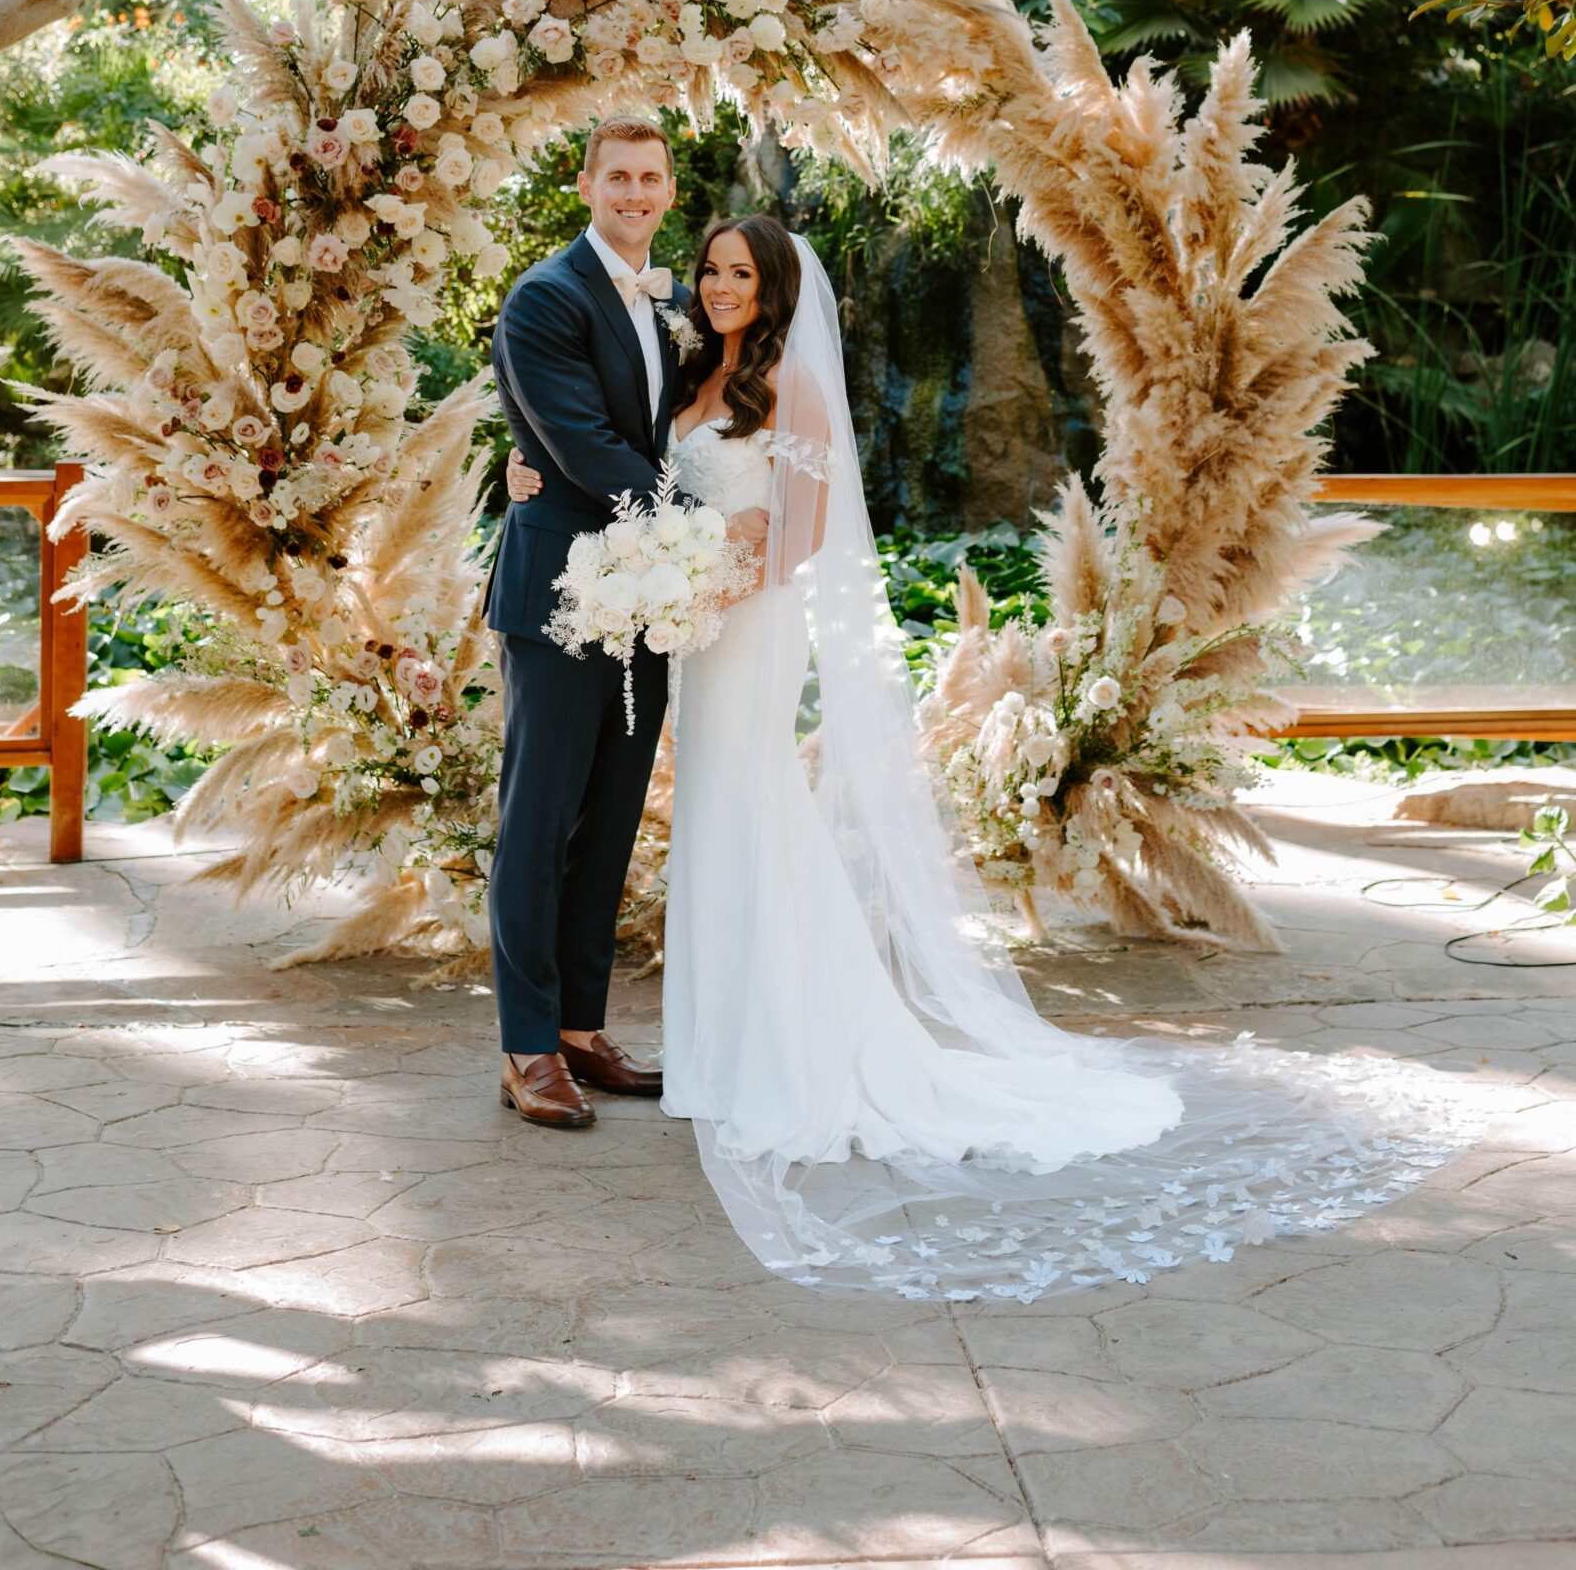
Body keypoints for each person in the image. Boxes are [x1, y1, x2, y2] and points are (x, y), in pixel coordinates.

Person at [505, 214, 1485, 1295]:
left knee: (752, 809)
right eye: (709, 270)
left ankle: (782, 1049)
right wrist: (532, 473)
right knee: (718, 820)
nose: (718, 284)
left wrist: (703, 580)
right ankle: (718, 1045)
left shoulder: (798, 388)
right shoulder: (690, 371)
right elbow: (616, 457)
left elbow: (800, 535)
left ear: (776, 286)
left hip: (747, 626)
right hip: (697, 633)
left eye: (739, 272)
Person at [484, 116, 764, 1131]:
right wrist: (705, 537)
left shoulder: (668, 307)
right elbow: (587, 447)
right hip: (562, 600)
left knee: (605, 822)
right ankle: (525, 1048)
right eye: (617, 178)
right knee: (537, 822)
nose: (634, 194)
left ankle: (577, 1027)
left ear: (668, 188)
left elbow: (665, 430)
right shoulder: (543, 297)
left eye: (650, 178)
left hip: (645, 599)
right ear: (584, 182)